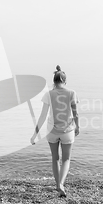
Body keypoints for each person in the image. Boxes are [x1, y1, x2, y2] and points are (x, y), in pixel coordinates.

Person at [30, 65, 79, 197]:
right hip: (67, 131)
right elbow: (76, 114)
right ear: (65, 81)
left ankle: (57, 185)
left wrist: (35, 134)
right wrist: (78, 127)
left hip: (52, 132)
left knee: (55, 158)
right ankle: (61, 183)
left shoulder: (48, 94)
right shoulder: (72, 93)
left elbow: (42, 116)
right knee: (66, 159)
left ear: (54, 82)